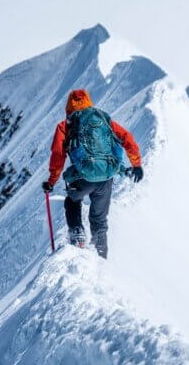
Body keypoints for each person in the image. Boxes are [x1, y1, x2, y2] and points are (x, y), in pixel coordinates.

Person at [42, 89, 143, 258]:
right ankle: (100, 253)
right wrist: (136, 164)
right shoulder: (103, 118)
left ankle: (77, 232)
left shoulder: (65, 125)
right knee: (99, 219)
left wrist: (52, 181)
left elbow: (58, 155)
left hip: (83, 177)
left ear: (69, 106)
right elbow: (127, 138)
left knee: (72, 201)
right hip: (106, 177)